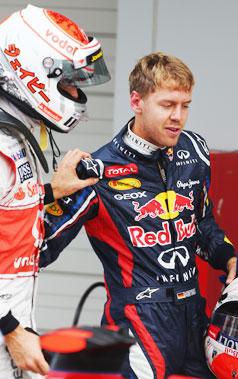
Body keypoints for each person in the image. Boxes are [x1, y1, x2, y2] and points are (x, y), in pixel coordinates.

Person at [40, 52, 237, 379]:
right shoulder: (96, 171)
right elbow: (38, 248)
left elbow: (201, 224)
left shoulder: (195, 151)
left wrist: (228, 257)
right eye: (167, 105)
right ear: (137, 101)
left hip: (194, 320)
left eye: (185, 105)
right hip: (138, 322)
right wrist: (52, 192)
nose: (178, 117)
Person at [0, 4, 110, 378]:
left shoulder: (15, 129)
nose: (76, 91)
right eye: (68, 81)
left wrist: (51, 191)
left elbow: (6, 207)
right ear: (32, 71)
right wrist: (11, 329)